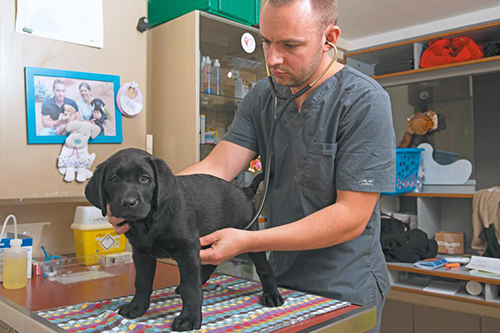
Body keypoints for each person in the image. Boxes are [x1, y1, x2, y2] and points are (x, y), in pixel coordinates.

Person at [108, 1, 395, 332]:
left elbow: (351, 218)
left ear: (329, 38)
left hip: (344, 282)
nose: (272, 58)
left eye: (289, 44)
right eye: (266, 41)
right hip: (281, 274)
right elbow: (218, 165)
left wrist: (248, 241)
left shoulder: (363, 101)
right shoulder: (263, 95)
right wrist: (149, 198)